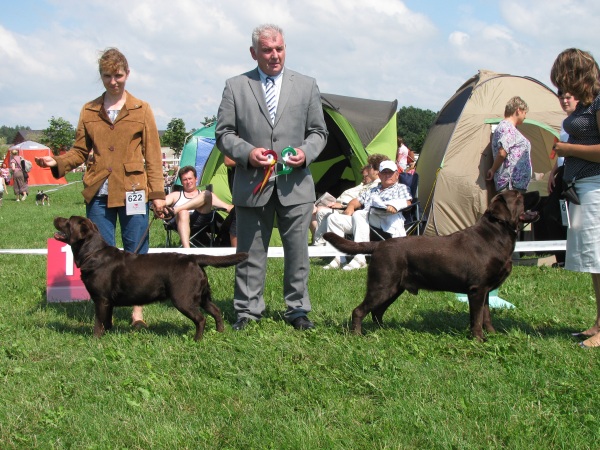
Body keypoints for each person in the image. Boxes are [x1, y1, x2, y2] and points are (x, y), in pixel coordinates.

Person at [35, 47, 165, 328]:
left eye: (118, 75)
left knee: (136, 252)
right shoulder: (89, 110)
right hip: (98, 194)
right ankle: (104, 315)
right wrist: (55, 161)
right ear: (101, 76)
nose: (113, 81)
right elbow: (79, 152)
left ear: (127, 74)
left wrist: (157, 196)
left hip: (133, 191)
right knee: (97, 255)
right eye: (107, 76)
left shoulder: (142, 109)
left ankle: (137, 312)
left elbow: (153, 156)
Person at [215, 23, 328, 331]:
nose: (274, 55)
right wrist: (247, 152)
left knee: (298, 253)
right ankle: (247, 312)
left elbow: (319, 132)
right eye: (267, 50)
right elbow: (223, 134)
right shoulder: (235, 86)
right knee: (250, 253)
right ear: (254, 53)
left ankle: (298, 310)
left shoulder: (307, 85)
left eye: (279, 48)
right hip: (253, 184)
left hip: (296, 186)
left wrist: (305, 152)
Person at [549, 48, 600, 348]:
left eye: (564, 79)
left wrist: (568, 151)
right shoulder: (588, 105)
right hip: (582, 185)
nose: (562, 87)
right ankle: (598, 323)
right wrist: (563, 168)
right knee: (595, 260)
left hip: (596, 185)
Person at [324, 160, 412, 271]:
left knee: (360, 214)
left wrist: (395, 205)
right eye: (384, 173)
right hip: (367, 220)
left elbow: (408, 202)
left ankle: (360, 258)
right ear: (379, 175)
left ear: (397, 174)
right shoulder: (373, 189)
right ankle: (338, 257)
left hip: (387, 219)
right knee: (334, 218)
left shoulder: (400, 188)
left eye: (390, 172)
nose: (387, 175)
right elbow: (356, 201)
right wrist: (351, 206)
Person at [311, 153, 387, 246]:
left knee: (324, 213)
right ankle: (322, 245)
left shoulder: (379, 184)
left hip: (366, 217)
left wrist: (345, 206)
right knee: (323, 213)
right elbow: (360, 199)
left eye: (370, 166)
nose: (368, 169)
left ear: (376, 170)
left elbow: (364, 202)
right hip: (355, 212)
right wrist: (349, 205)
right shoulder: (371, 184)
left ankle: (324, 245)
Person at [164, 165, 233, 248]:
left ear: (196, 179)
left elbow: (227, 207)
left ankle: (178, 209)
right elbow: (161, 204)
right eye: (185, 180)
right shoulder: (176, 195)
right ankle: (187, 251)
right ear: (181, 182)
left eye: (190, 178)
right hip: (180, 221)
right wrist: (163, 209)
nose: (188, 181)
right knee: (183, 213)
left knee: (206, 194)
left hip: (201, 221)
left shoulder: (206, 194)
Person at [486, 96, 532, 193]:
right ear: (518, 110)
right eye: (524, 113)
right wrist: (493, 169)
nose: (525, 117)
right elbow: (502, 152)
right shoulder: (506, 127)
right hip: (511, 186)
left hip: (516, 185)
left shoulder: (509, 128)